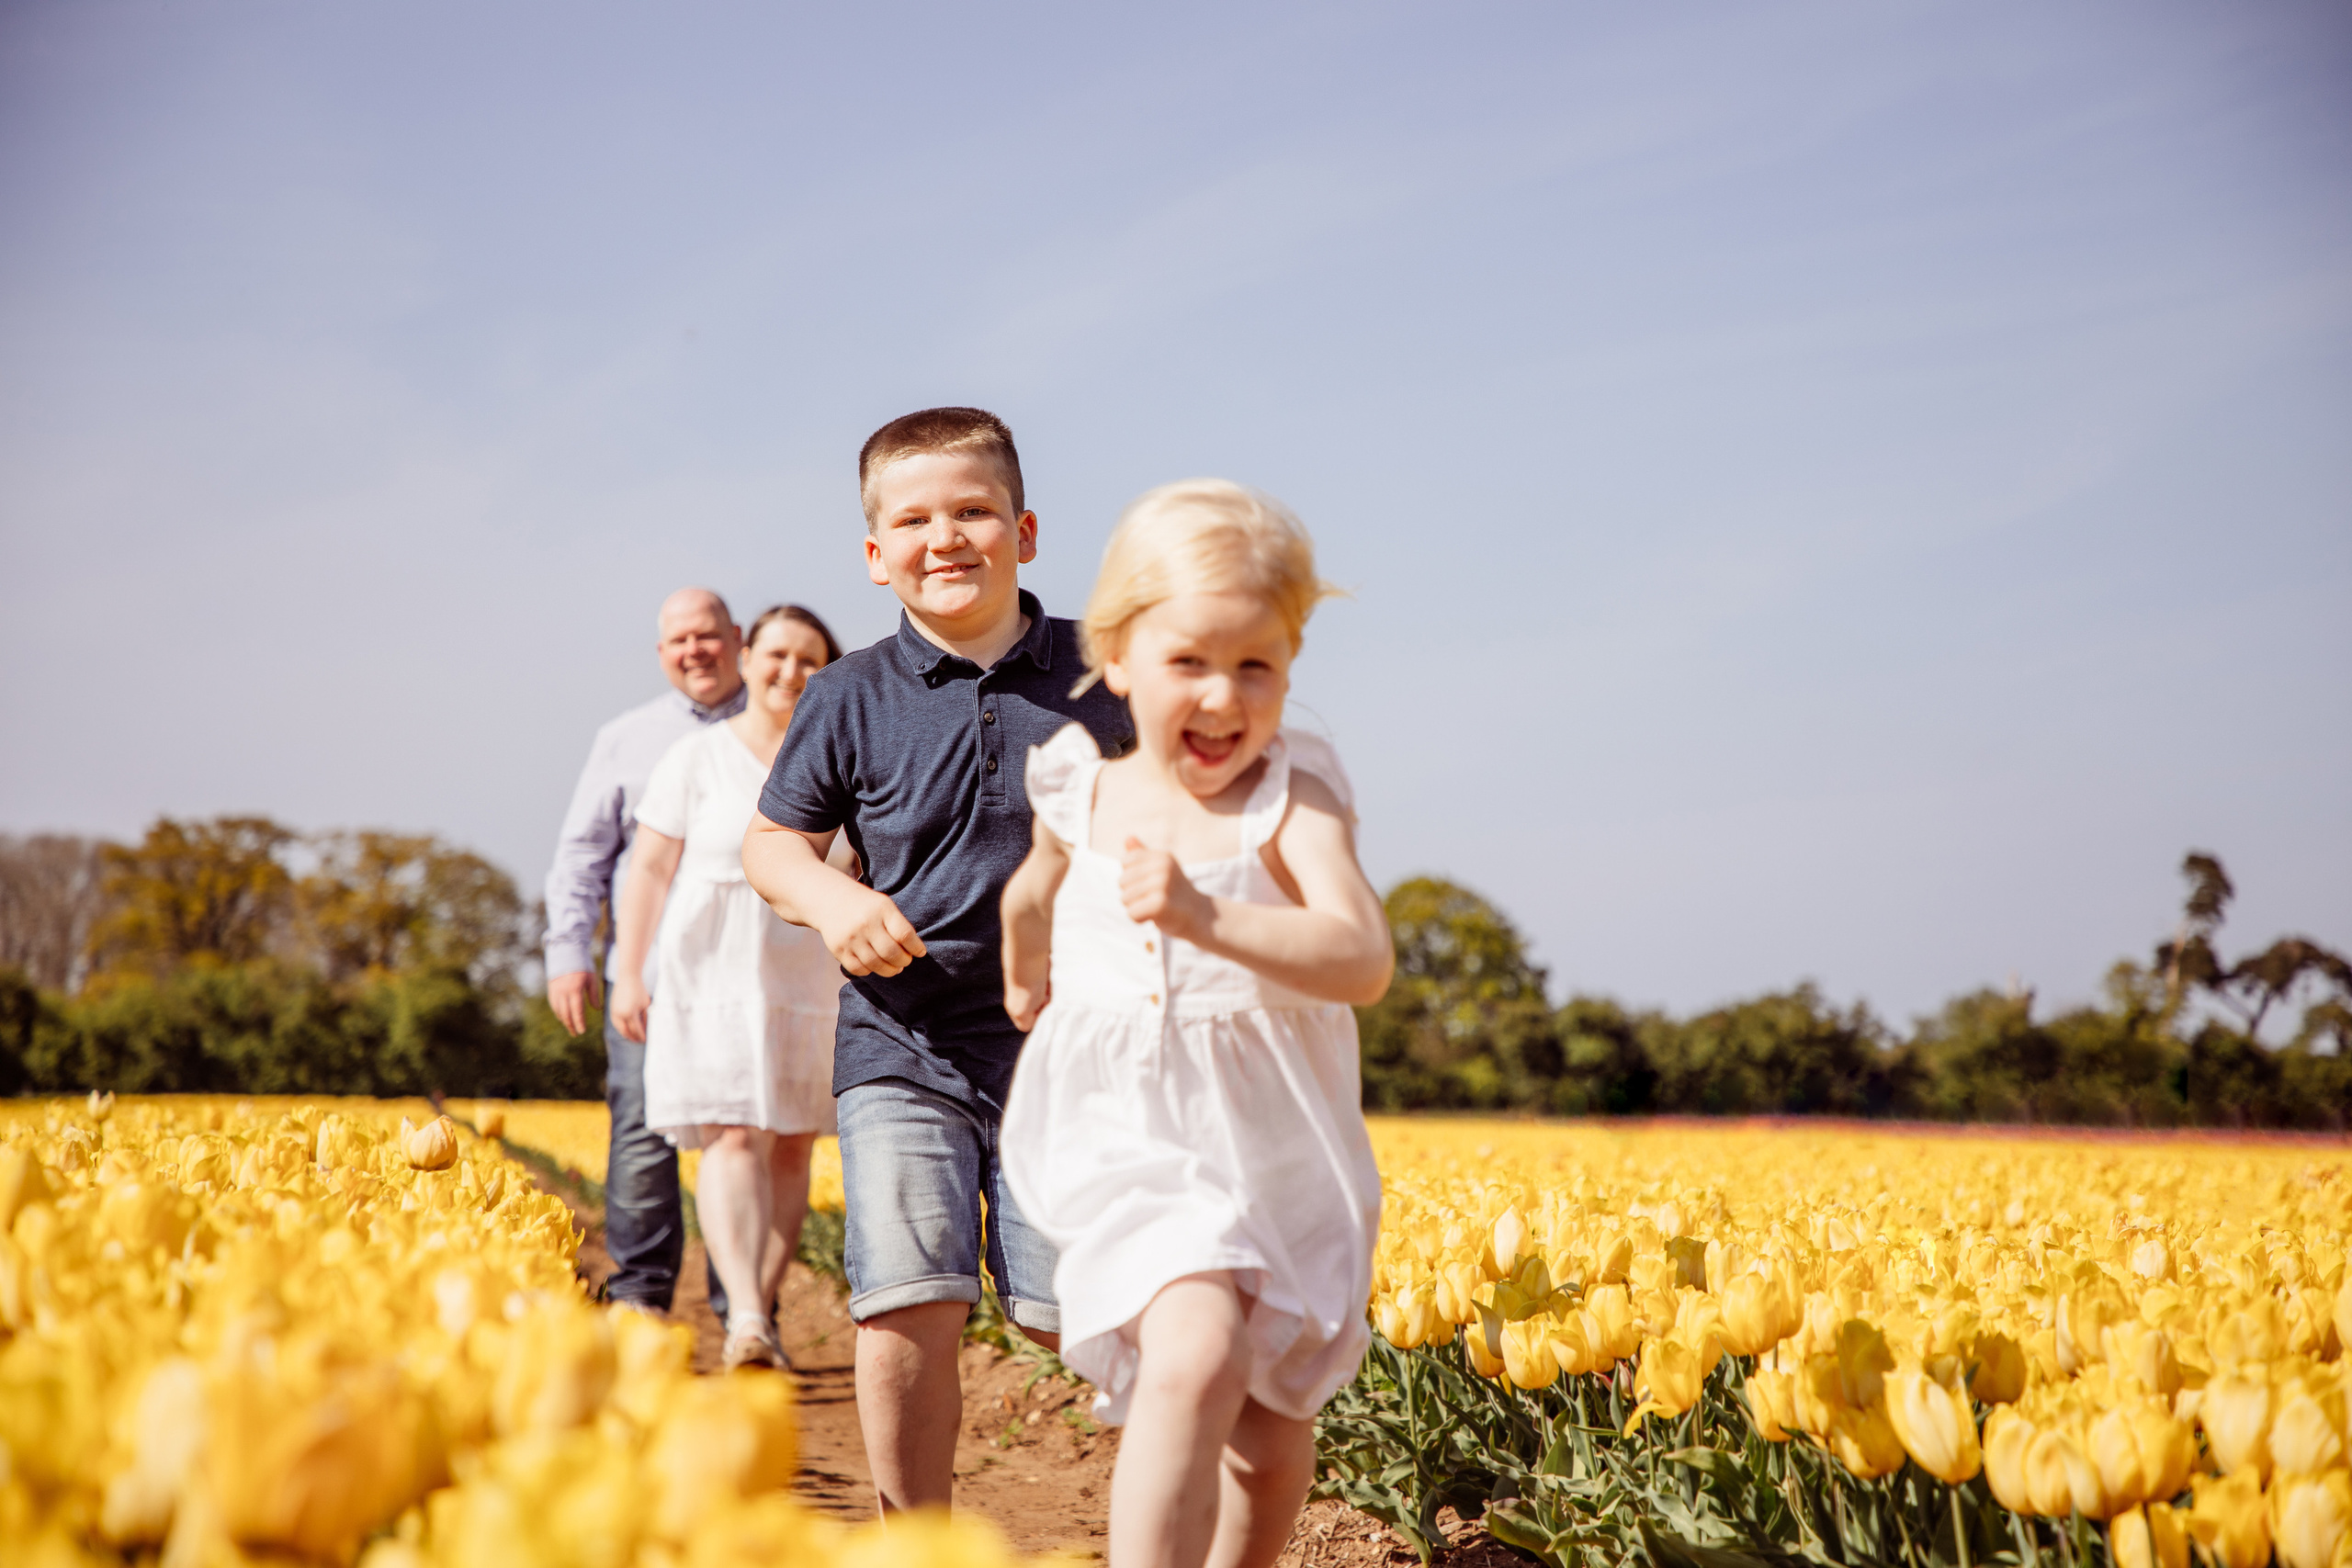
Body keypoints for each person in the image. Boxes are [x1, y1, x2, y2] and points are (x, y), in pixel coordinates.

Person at [742, 407, 1133, 1514]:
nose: (945, 537)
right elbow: (771, 847)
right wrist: (830, 898)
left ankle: (1170, 1515)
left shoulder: (1105, 675)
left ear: (1027, 529)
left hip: (1071, 1048)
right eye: (913, 519)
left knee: (1071, 1309)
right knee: (907, 1298)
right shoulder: (847, 695)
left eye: (973, 510)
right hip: (901, 1042)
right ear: (875, 556)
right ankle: (916, 1536)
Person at [996, 480, 1392, 1568]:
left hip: (1275, 1137)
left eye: (1256, 666)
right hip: (1131, 1129)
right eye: (1190, 663)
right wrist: (1027, 962)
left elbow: (1360, 957)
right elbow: (1033, 887)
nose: (1224, 697)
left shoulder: (1289, 797)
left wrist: (1203, 914)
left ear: (1290, 665)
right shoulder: (1078, 787)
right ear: (1118, 657)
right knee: (1195, 1353)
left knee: (1267, 1449)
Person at [608, 604, 849, 1371]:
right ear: (746, 659)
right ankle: (745, 1313)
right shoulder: (696, 757)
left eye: (810, 659)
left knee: (788, 1145)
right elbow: (648, 869)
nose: (790, 671)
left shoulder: (841, 756)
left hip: (806, 969)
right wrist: (629, 970)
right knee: (732, 1134)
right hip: (707, 970)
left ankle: (757, 1314)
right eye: (777, 654)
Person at [545, 587, 746, 1319]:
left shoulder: (784, 723)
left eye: (708, 635)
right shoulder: (624, 738)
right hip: (651, 975)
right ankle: (640, 1295)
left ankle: (745, 1308)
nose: (695, 650)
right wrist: (568, 950)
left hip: (751, 976)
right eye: (678, 641)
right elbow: (582, 856)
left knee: (748, 1139)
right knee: (641, 1132)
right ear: (662, 654)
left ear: (738, 636)